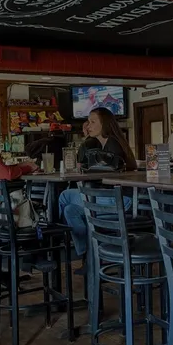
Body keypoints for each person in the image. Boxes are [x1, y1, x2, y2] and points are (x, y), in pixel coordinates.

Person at [59, 107, 136, 257]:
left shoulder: (112, 144)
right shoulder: (103, 144)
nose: (88, 126)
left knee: (65, 196)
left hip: (119, 199)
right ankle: (88, 254)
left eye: (93, 122)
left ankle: (54, 239)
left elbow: (100, 173)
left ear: (104, 124)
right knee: (70, 210)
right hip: (108, 197)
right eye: (88, 122)